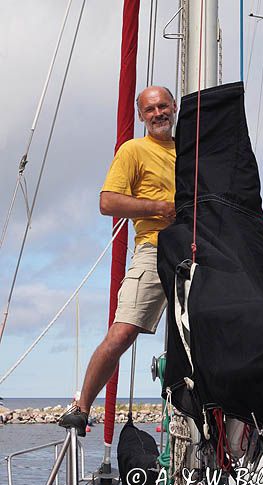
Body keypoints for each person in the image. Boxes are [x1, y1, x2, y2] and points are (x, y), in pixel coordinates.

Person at [59, 86, 177, 436]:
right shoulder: (134, 150)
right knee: (123, 331)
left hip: (196, 252)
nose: (158, 113)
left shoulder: (191, 152)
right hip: (155, 248)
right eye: (150, 109)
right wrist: (158, 208)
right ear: (142, 116)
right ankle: (81, 408)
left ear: (174, 107)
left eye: (163, 106)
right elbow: (107, 202)